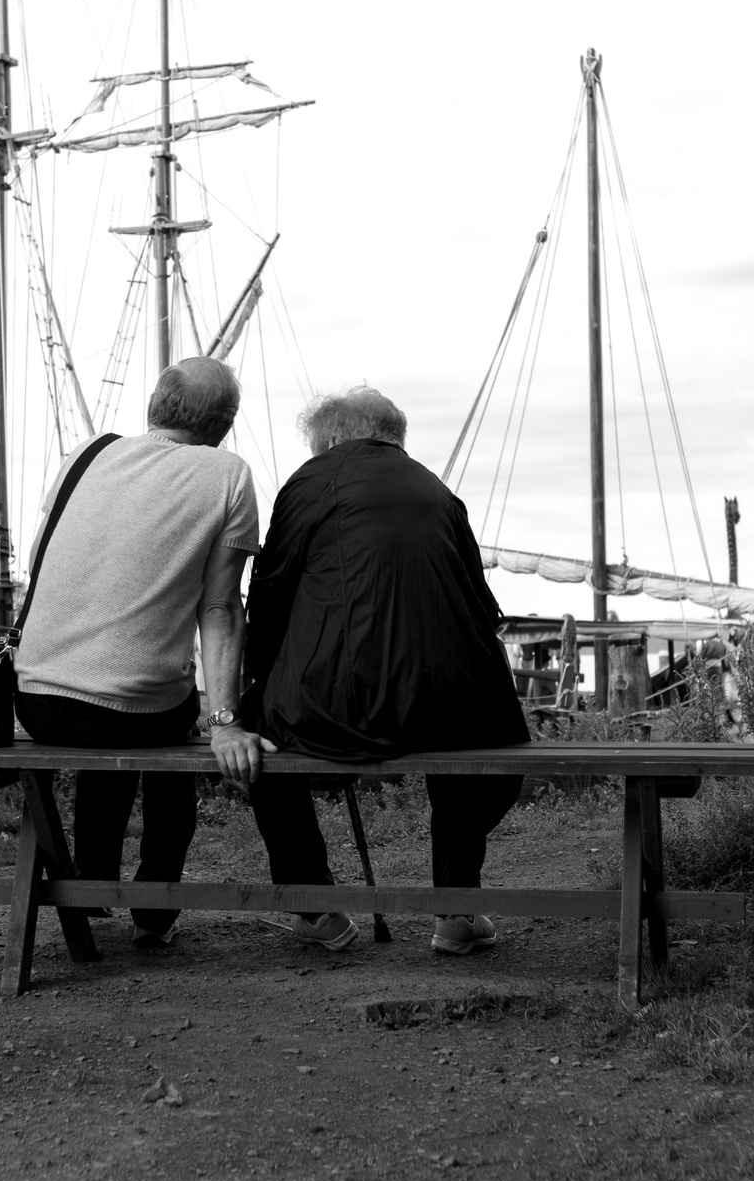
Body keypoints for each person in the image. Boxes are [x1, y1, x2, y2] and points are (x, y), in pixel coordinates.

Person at [224, 386, 529, 955]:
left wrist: (260, 685)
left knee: (253, 737)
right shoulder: (439, 492)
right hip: (457, 710)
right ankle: (456, 909)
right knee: (471, 739)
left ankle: (317, 908)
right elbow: (483, 609)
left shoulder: (308, 484)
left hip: (333, 710)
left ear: (332, 439)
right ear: (393, 438)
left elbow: (268, 598)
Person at [16, 357, 262, 949]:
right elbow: (220, 607)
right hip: (131, 711)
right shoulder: (228, 474)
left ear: (155, 404)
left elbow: (40, 562)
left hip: (37, 701)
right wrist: (226, 721)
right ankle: (153, 911)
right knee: (162, 728)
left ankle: (93, 883)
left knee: (111, 707)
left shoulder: (86, 454)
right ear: (224, 424)